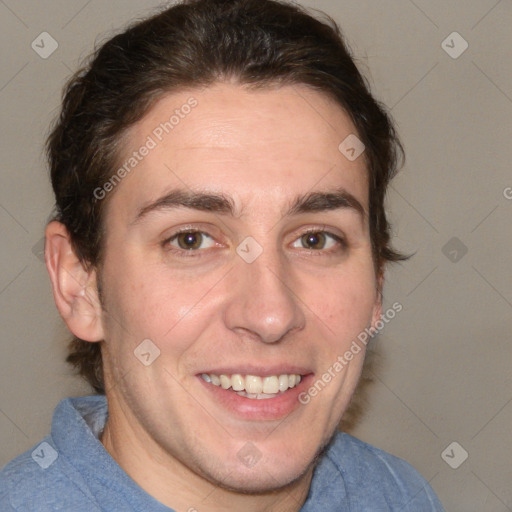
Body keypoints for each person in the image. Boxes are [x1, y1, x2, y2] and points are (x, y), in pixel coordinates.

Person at [0, 0, 445, 510]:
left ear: (377, 281)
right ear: (78, 283)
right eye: (191, 240)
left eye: (315, 239)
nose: (270, 314)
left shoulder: (397, 494)